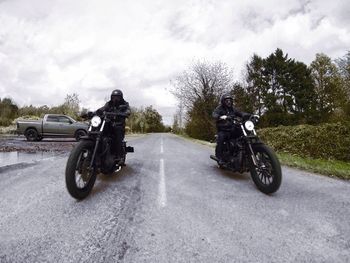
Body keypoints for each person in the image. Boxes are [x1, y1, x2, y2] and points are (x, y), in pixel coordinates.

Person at [212, 93, 249, 166]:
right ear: (223, 101)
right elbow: (214, 114)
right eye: (227, 101)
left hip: (232, 129)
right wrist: (221, 117)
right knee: (221, 138)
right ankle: (219, 158)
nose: (229, 102)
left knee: (243, 135)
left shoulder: (233, 109)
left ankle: (244, 154)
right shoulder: (219, 108)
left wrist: (248, 115)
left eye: (230, 100)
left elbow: (240, 113)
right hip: (223, 129)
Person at [95, 89, 130, 162]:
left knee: (117, 132)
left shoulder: (125, 104)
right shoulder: (109, 104)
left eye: (117, 97)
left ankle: (119, 156)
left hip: (119, 125)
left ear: (121, 98)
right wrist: (95, 112)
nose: (115, 99)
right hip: (109, 123)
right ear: (111, 97)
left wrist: (125, 113)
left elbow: (128, 111)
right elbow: (103, 109)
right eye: (114, 97)